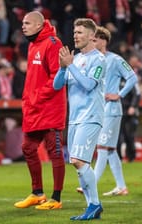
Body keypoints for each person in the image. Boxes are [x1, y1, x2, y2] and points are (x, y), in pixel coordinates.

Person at [53, 18, 106, 220]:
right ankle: (91, 207)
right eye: (75, 32)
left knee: (78, 160)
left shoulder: (98, 60)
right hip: (74, 119)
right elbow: (57, 86)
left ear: (92, 36)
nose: (75, 35)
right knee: (78, 164)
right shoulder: (74, 60)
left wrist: (70, 65)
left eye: (80, 32)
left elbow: (88, 85)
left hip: (91, 116)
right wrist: (63, 67)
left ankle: (94, 204)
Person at [14, 11, 67, 210]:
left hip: (50, 108)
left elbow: (57, 78)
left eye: (27, 23)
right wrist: (29, 99)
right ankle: (37, 193)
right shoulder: (33, 44)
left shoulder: (53, 44)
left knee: (54, 151)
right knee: (28, 148)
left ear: (39, 25)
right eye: (22, 23)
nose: (23, 26)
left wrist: (36, 97)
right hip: (34, 108)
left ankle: (56, 198)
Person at [77, 26, 137, 196]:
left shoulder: (115, 60)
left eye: (95, 40)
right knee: (110, 150)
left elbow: (132, 77)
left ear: (104, 41)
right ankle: (121, 186)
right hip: (97, 109)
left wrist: (119, 94)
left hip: (111, 110)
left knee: (102, 147)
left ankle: (90, 184)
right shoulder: (91, 60)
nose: (93, 42)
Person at [117, 84, 141, 162]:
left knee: (129, 135)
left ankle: (131, 157)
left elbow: (137, 94)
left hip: (128, 111)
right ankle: (117, 158)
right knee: (116, 137)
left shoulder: (131, 79)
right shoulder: (114, 79)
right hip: (116, 112)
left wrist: (133, 106)